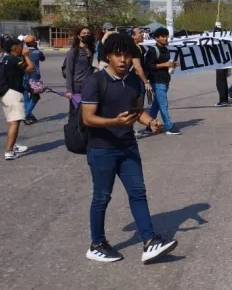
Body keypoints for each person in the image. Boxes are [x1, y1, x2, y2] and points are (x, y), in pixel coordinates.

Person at [80, 32, 177, 263]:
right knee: (102, 197)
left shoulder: (134, 82)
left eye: (126, 56)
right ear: (108, 57)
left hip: (128, 146)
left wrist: (150, 122)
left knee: (138, 193)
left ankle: (150, 241)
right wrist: (114, 122)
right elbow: (87, 118)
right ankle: (97, 244)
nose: (123, 60)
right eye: (117, 55)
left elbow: (138, 112)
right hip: (102, 148)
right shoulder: (95, 81)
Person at [0, 38, 36, 160]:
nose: (23, 48)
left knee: (12, 122)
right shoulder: (14, 60)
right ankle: (9, 151)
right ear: (15, 48)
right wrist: (26, 56)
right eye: (21, 46)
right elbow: (31, 68)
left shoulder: (6, 59)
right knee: (15, 122)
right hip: (13, 94)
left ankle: (13, 145)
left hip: (5, 93)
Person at [147, 27, 180, 135]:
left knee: (156, 105)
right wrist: (165, 64)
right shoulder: (152, 50)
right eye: (163, 36)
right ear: (156, 38)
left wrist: (173, 64)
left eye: (167, 36)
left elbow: (166, 64)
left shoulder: (165, 50)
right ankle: (169, 126)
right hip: (157, 81)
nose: (166, 38)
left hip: (165, 80)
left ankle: (149, 125)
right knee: (163, 104)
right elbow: (149, 66)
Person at [65, 27, 95, 119]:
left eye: (88, 33)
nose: (86, 35)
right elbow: (68, 72)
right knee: (75, 113)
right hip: (77, 86)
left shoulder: (93, 51)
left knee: (88, 113)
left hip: (90, 86)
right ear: (79, 36)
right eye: (84, 33)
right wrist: (69, 90)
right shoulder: (73, 52)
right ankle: (73, 132)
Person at [22, 36, 46, 125]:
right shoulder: (37, 52)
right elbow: (43, 58)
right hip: (34, 78)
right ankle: (26, 114)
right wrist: (36, 47)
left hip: (24, 77)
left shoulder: (22, 51)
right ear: (33, 42)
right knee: (36, 97)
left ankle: (29, 114)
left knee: (26, 96)